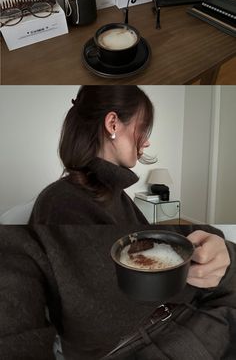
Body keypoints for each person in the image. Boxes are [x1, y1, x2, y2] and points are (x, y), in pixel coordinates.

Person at [0, 86, 235, 360]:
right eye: (143, 129)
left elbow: (181, 242)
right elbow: (16, 316)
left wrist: (222, 253)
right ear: (112, 123)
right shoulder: (60, 203)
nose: (146, 142)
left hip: (201, 314)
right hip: (142, 345)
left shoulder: (119, 197)